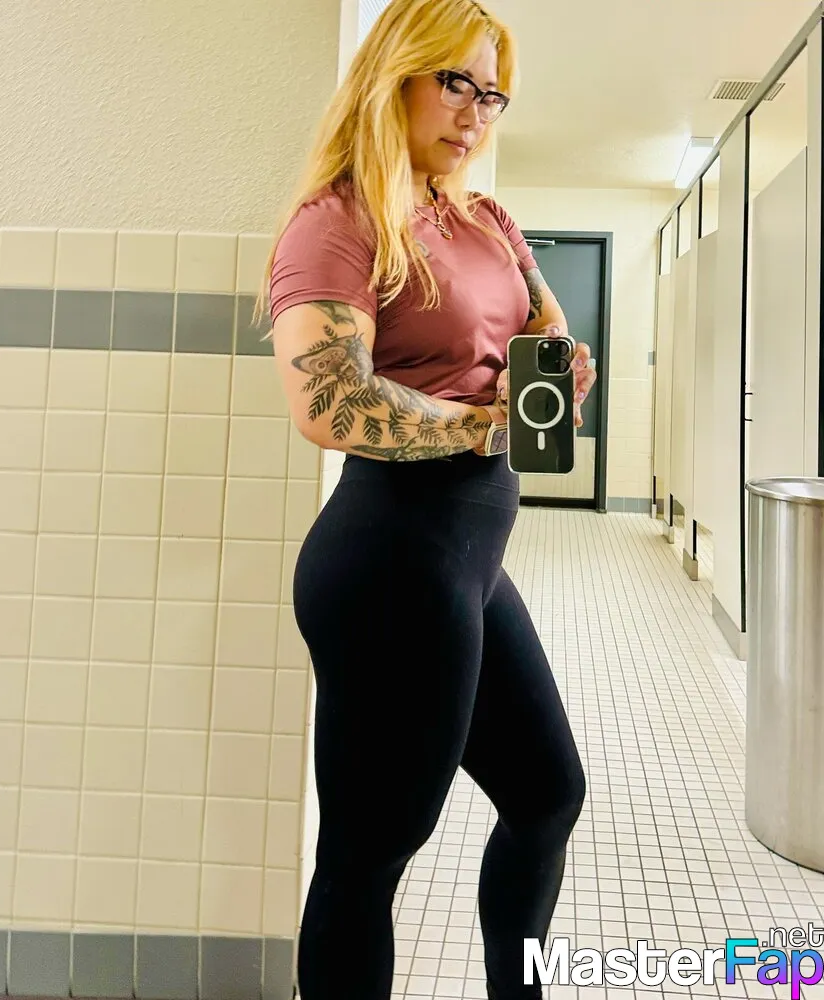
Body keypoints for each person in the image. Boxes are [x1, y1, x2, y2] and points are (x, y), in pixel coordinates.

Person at [257, 1, 597, 996]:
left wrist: (558, 367)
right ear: (394, 74)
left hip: (469, 559)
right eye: (456, 83)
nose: (476, 113)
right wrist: (482, 424)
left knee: (546, 794)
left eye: (493, 94)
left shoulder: (484, 218)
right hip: (391, 561)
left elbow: (543, 328)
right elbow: (331, 399)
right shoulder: (339, 220)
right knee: (370, 857)